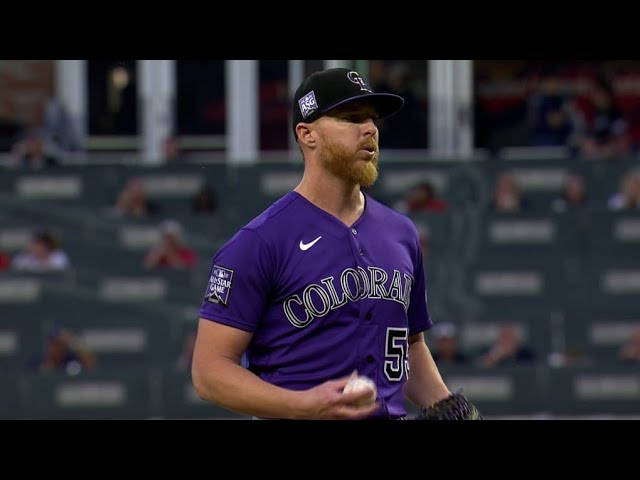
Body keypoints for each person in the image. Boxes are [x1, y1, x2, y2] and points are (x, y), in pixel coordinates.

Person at [192, 68, 478, 420]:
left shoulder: (402, 234)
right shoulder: (260, 241)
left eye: (373, 119)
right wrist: (301, 405)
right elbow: (209, 372)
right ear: (307, 134)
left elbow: (409, 345)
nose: (370, 129)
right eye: (352, 118)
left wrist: (447, 407)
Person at [30, 329, 97, 375]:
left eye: (61, 344)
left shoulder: (71, 359)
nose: (57, 348)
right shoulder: (38, 361)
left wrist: (75, 343)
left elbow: (91, 367)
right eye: (54, 344)